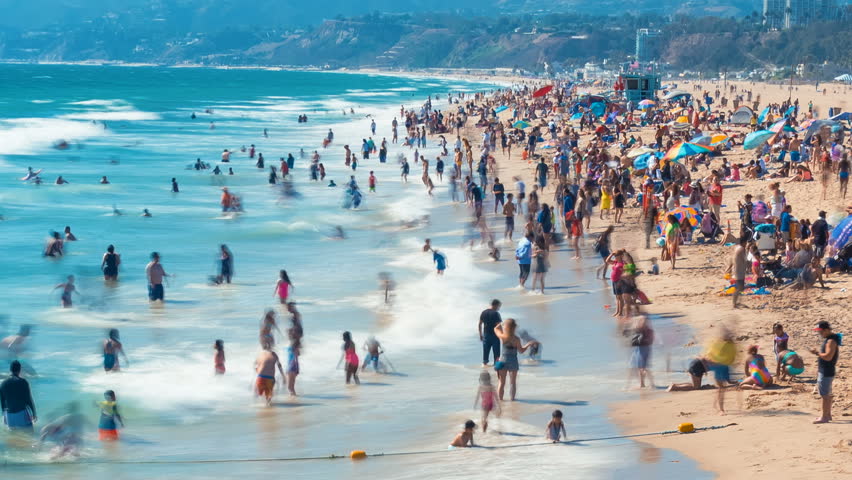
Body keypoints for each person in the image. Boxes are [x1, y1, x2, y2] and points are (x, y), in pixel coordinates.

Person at [493, 318, 536, 401]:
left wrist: (501, 324)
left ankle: (501, 401)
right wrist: (528, 344)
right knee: (513, 383)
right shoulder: (516, 339)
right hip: (513, 361)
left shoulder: (503, 337)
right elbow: (521, 351)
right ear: (514, 328)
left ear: (506, 327)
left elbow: (495, 329)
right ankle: (512, 400)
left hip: (503, 361)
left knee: (501, 383)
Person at [810, 321, 840, 424]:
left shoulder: (831, 341)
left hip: (826, 371)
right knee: (827, 393)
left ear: (827, 330)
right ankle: (828, 415)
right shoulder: (830, 339)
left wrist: (816, 353)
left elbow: (828, 357)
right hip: (827, 370)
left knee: (824, 395)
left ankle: (824, 417)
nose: (820, 334)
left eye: (821, 332)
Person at [0, 360, 37, 432]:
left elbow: (2, 402)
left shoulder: (3, 384)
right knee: (30, 434)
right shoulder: (23, 382)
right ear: (19, 370)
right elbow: (28, 399)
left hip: (9, 416)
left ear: (10, 370)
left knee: (14, 435)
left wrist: (4, 416)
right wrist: (34, 413)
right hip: (21, 414)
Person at [628, 315, 655, 388]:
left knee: (643, 368)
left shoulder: (645, 330)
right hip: (640, 349)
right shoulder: (643, 329)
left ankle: (650, 383)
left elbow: (651, 341)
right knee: (641, 367)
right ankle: (643, 384)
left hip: (643, 349)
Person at [479, 299, 502, 366]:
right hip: (495, 336)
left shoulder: (483, 312)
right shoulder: (496, 314)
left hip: (486, 336)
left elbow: (480, 324)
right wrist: (503, 335)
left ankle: (484, 368)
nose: (499, 308)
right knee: (497, 356)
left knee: (485, 357)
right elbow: (499, 325)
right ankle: (496, 371)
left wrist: (480, 335)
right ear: (495, 305)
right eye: (498, 306)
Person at [285, 303, 302, 395]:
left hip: (292, 366)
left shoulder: (293, 345)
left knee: (290, 388)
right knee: (291, 388)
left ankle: (295, 404)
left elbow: (296, 355)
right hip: (293, 365)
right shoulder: (294, 344)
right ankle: (295, 401)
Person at [731, 236, 748, 308]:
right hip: (739, 271)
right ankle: (735, 303)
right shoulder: (742, 249)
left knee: (740, 287)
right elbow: (745, 259)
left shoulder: (737, 248)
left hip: (737, 269)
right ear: (744, 243)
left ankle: (737, 302)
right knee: (739, 287)